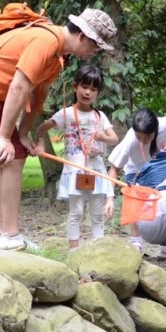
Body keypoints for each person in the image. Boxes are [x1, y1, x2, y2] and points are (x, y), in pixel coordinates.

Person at [0, 8, 117, 250]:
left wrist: (23, 134)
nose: (94, 52)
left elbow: (38, 95)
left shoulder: (58, 58)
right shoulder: (45, 40)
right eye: (96, 46)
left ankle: (11, 234)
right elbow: (19, 87)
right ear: (83, 36)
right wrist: (3, 137)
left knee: (17, 155)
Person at [35, 65, 118, 248]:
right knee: (76, 213)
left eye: (93, 89)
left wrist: (103, 137)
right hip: (74, 172)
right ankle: (74, 251)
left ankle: (97, 249)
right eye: (84, 87)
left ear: (97, 93)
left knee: (97, 214)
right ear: (75, 86)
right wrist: (40, 144)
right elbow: (42, 128)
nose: (87, 92)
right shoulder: (66, 114)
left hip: (96, 171)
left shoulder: (99, 116)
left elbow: (114, 138)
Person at [106, 108, 166, 250]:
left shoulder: (164, 124)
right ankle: (136, 240)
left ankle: (165, 241)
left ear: (155, 130)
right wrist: (109, 198)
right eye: (139, 137)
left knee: (163, 201)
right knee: (134, 201)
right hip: (135, 169)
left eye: (147, 137)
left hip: (157, 164)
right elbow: (114, 169)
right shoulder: (129, 142)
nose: (143, 141)